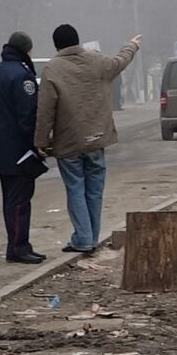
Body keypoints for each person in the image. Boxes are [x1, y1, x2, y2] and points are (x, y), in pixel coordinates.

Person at [36, 24, 141, 254]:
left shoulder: (52, 69)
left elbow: (46, 110)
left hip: (69, 141)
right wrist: (131, 45)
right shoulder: (97, 61)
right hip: (96, 139)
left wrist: (41, 141)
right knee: (94, 190)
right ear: (78, 41)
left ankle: (83, 238)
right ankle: (91, 236)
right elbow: (120, 61)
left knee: (75, 188)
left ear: (56, 45)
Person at [0, 31, 46, 265]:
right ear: (26, 50)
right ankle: (19, 247)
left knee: (10, 200)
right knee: (20, 201)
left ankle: (17, 244)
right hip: (19, 150)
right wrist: (38, 144)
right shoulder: (22, 76)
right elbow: (27, 115)